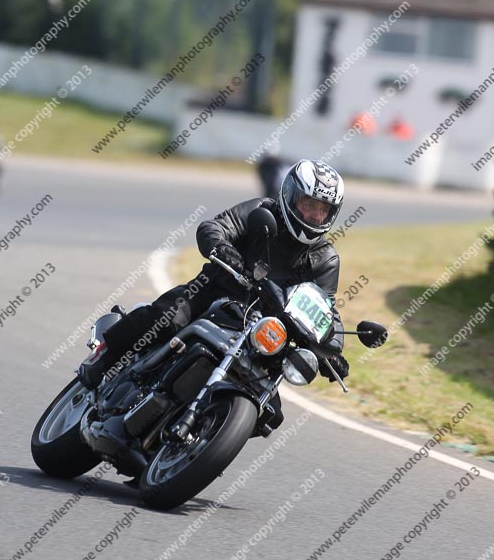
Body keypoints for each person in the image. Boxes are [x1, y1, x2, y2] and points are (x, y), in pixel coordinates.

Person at [78, 159, 349, 391]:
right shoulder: (261, 210)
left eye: (323, 209)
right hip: (214, 293)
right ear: (290, 196)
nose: (315, 215)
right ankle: (104, 358)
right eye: (309, 204)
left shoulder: (325, 259)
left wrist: (332, 350)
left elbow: (324, 309)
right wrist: (222, 248)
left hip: (262, 330)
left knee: (269, 407)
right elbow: (216, 226)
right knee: (166, 319)